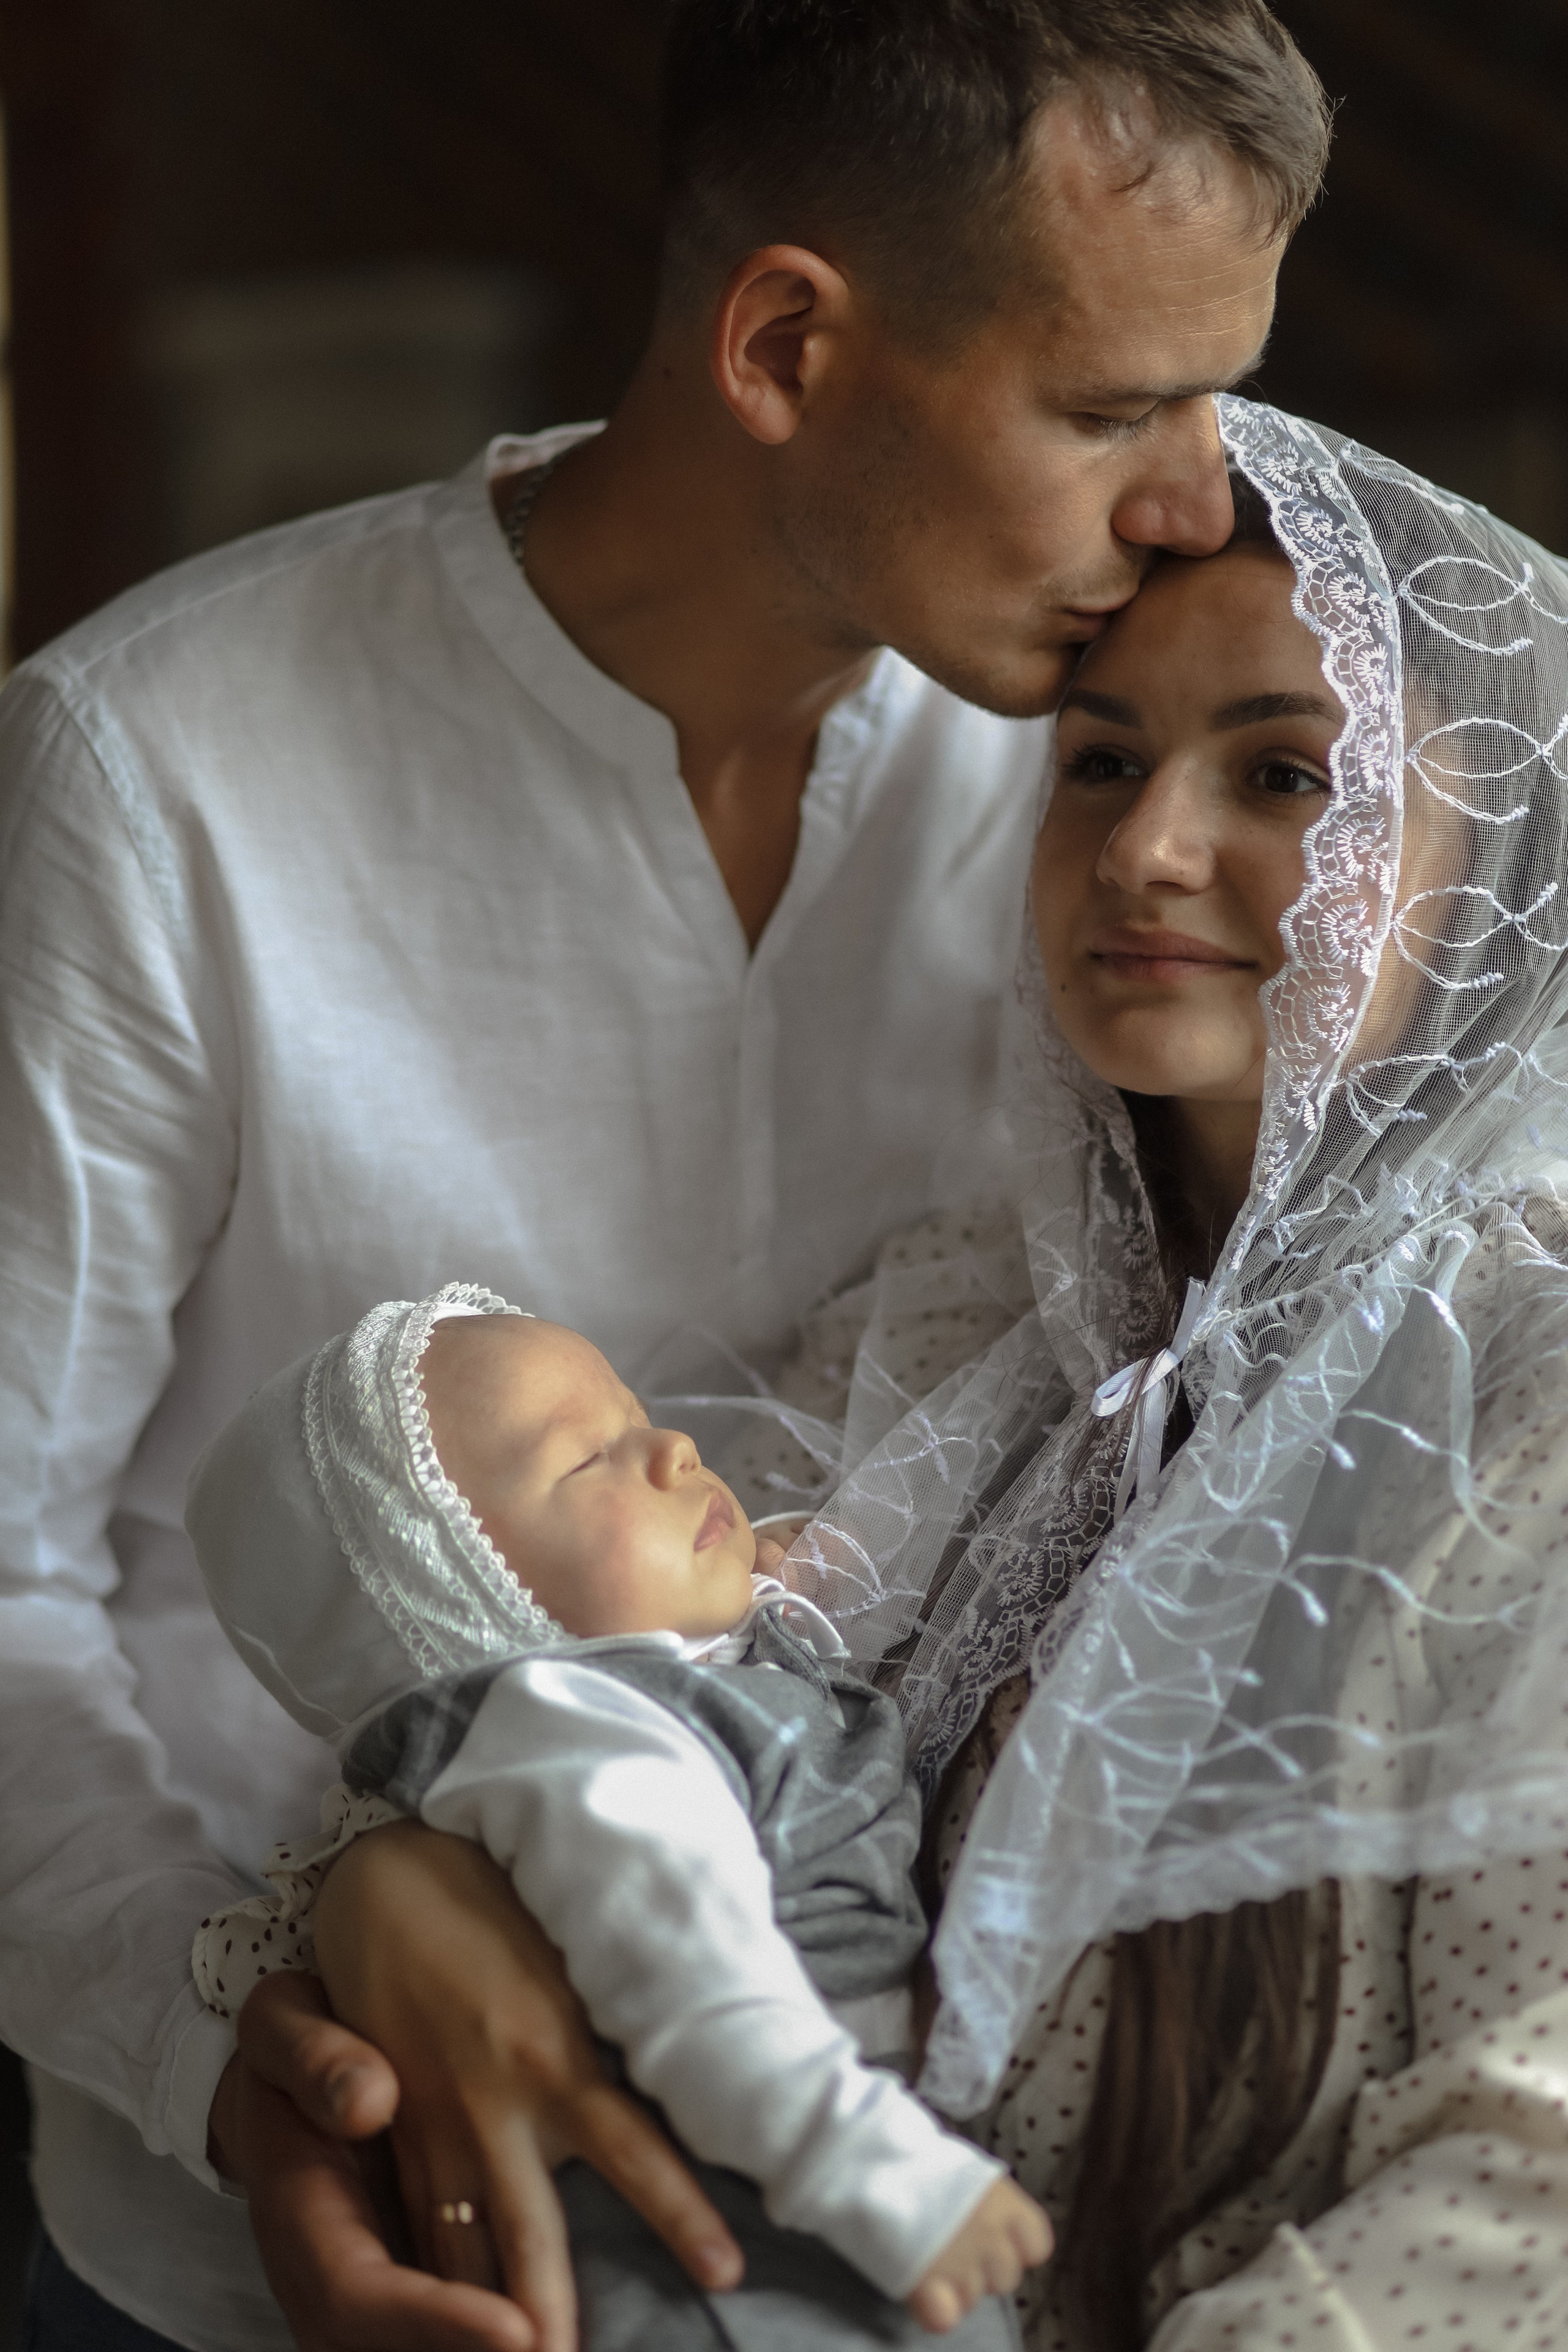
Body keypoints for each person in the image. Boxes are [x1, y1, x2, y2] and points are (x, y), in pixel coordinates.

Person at [0, 4, 1329, 2348]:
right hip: (229, 2252)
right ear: (789, 344)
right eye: (1116, 408)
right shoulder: (148, 774)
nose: (1201, 503)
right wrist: (256, 2040)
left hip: (908, 2223)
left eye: (1214, 404)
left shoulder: (1132, 803)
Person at [699, 411, 1568, 2346]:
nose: (1151, 848)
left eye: (1282, 775)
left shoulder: (1537, 1381)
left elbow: (1535, 2192)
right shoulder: (957, 1337)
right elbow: (597, 1700)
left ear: (1500, 854)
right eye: (1103, 761)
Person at [182, 1288, 1050, 2346]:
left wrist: (748, 1581)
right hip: (746, 2221)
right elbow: (706, 1996)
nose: (674, 1449)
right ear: (454, 1596)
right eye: (588, 1459)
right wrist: (908, 2188)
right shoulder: (591, 1742)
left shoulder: (606, 1715)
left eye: (636, 1415)